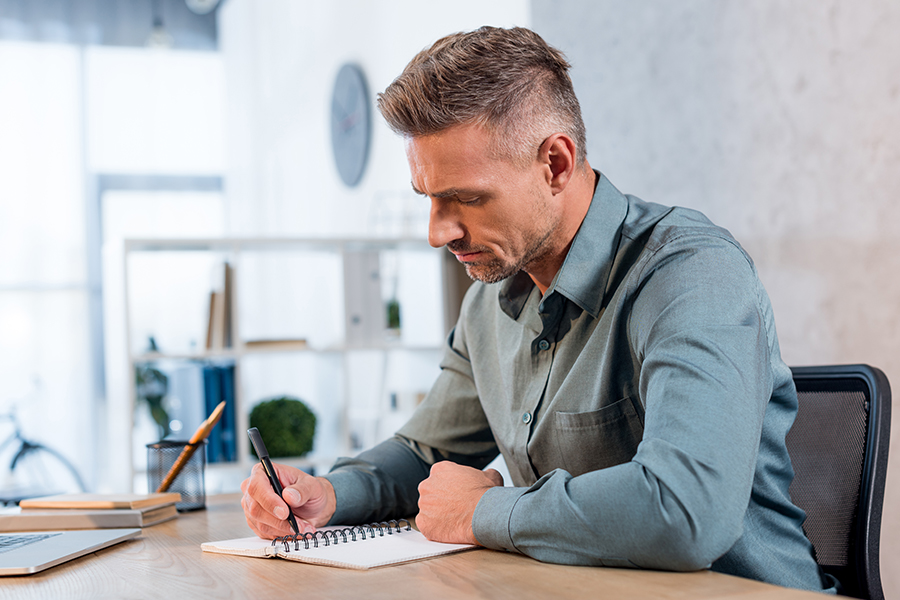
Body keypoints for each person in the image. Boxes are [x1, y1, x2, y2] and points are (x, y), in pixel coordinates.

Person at [241, 26, 833, 593]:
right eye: (429, 199)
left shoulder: (691, 274)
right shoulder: (487, 304)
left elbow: (685, 509)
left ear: (555, 164)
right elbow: (429, 454)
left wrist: (484, 511)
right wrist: (331, 493)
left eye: (466, 198)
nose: (437, 231)